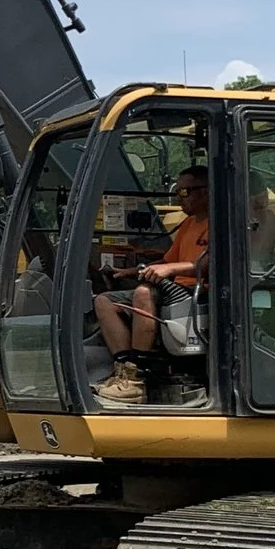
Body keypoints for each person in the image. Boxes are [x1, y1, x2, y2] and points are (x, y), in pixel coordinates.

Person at [92, 166, 211, 403]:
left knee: (143, 293)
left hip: (199, 290)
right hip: (175, 289)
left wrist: (170, 270)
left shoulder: (219, 223)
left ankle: (137, 379)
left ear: (205, 191)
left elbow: (211, 263)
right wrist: (131, 271)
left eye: (184, 192)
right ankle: (124, 371)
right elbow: (166, 261)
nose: (179, 198)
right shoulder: (188, 224)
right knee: (104, 302)